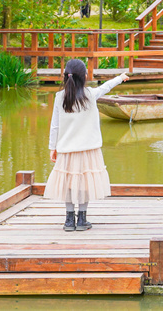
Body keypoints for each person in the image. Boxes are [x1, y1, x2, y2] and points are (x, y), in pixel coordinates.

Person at [45, 59, 128, 231]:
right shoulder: (90, 94)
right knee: (84, 182)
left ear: (66, 76)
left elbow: (55, 125)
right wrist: (120, 77)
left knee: (68, 182)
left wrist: (52, 148)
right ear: (84, 77)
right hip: (88, 150)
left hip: (67, 150)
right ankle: (82, 220)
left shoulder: (60, 97)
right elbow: (106, 87)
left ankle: (69, 220)